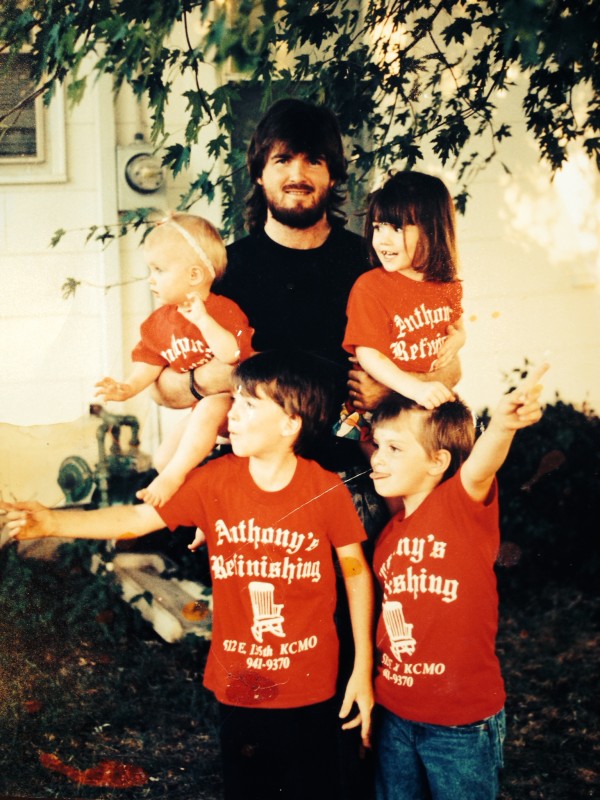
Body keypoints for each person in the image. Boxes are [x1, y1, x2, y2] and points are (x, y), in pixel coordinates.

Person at [2, 350, 375, 800]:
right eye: (234, 401)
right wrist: (53, 523)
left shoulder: (324, 490)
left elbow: (355, 574)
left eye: (249, 406)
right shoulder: (215, 481)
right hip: (239, 684)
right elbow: (139, 519)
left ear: (290, 423)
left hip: (310, 685)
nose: (231, 416)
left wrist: (362, 669)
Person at [368, 363, 548, 800]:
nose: (377, 458)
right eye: (377, 446)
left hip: (459, 722)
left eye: (394, 448)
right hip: (394, 709)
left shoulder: (459, 507)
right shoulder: (390, 534)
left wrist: (503, 426)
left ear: (438, 461)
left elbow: (481, 466)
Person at [95, 212, 254, 506]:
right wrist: (128, 387)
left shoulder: (223, 310)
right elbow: (150, 362)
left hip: (239, 404)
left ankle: (175, 479)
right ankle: (194, 502)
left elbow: (231, 354)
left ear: (194, 275)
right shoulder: (160, 322)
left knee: (205, 412)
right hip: (203, 411)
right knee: (164, 457)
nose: (151, 280)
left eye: (159, 270)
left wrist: (204, 321)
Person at [334, 171, 466, 444]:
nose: (382, 240)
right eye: (379, 227)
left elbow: (457, 326)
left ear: (433, 228)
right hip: (377, 414)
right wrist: (414, 388)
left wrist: (460, 338)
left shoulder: (446, 284)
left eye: (397, 228)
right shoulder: (371, 286)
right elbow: (368, 353)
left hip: (423, 407)